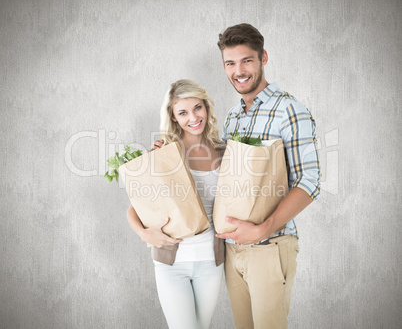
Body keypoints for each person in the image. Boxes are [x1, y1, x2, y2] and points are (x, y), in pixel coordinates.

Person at [214, 23, 321, 329]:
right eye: (230, 63)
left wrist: (263, 229)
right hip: (233, 251)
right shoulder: (234, 116)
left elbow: (309, 180)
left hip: (270, 247)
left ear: (263, 58)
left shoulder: (289, 109)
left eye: (247, 60)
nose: (239, 71)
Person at [127, 79, 226, 329]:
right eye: (183, 112)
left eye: (197, 108)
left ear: (206, 108)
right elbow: (135, 206)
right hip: (172, 263)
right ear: (173, 117)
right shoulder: (164, 152)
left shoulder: (225, 152)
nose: (193, 117)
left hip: (211, 262)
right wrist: (144, 233)